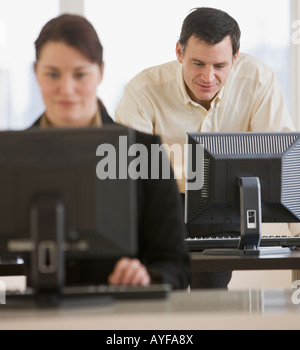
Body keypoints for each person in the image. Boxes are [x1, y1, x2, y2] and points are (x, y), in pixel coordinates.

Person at [115, 7, 297, 288]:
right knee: (164, 292)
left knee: (210, 295)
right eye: (198, 63)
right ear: (179, 53)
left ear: (235, 58)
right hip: (164, 203)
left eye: (220, 66)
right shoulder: (143, 90)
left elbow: (281, 160)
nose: (208, 77)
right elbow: (130, 168)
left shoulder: (258, 80)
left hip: (224, 203)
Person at [30, 14, 190, 290]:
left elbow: (176, 265)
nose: (66, 89)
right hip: (42, 315)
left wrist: (146, 276)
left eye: (80, 74)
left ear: (100, 72)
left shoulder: (144, 152)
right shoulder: (13, 155)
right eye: (52, 74)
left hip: (122, 317)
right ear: (36, 73)